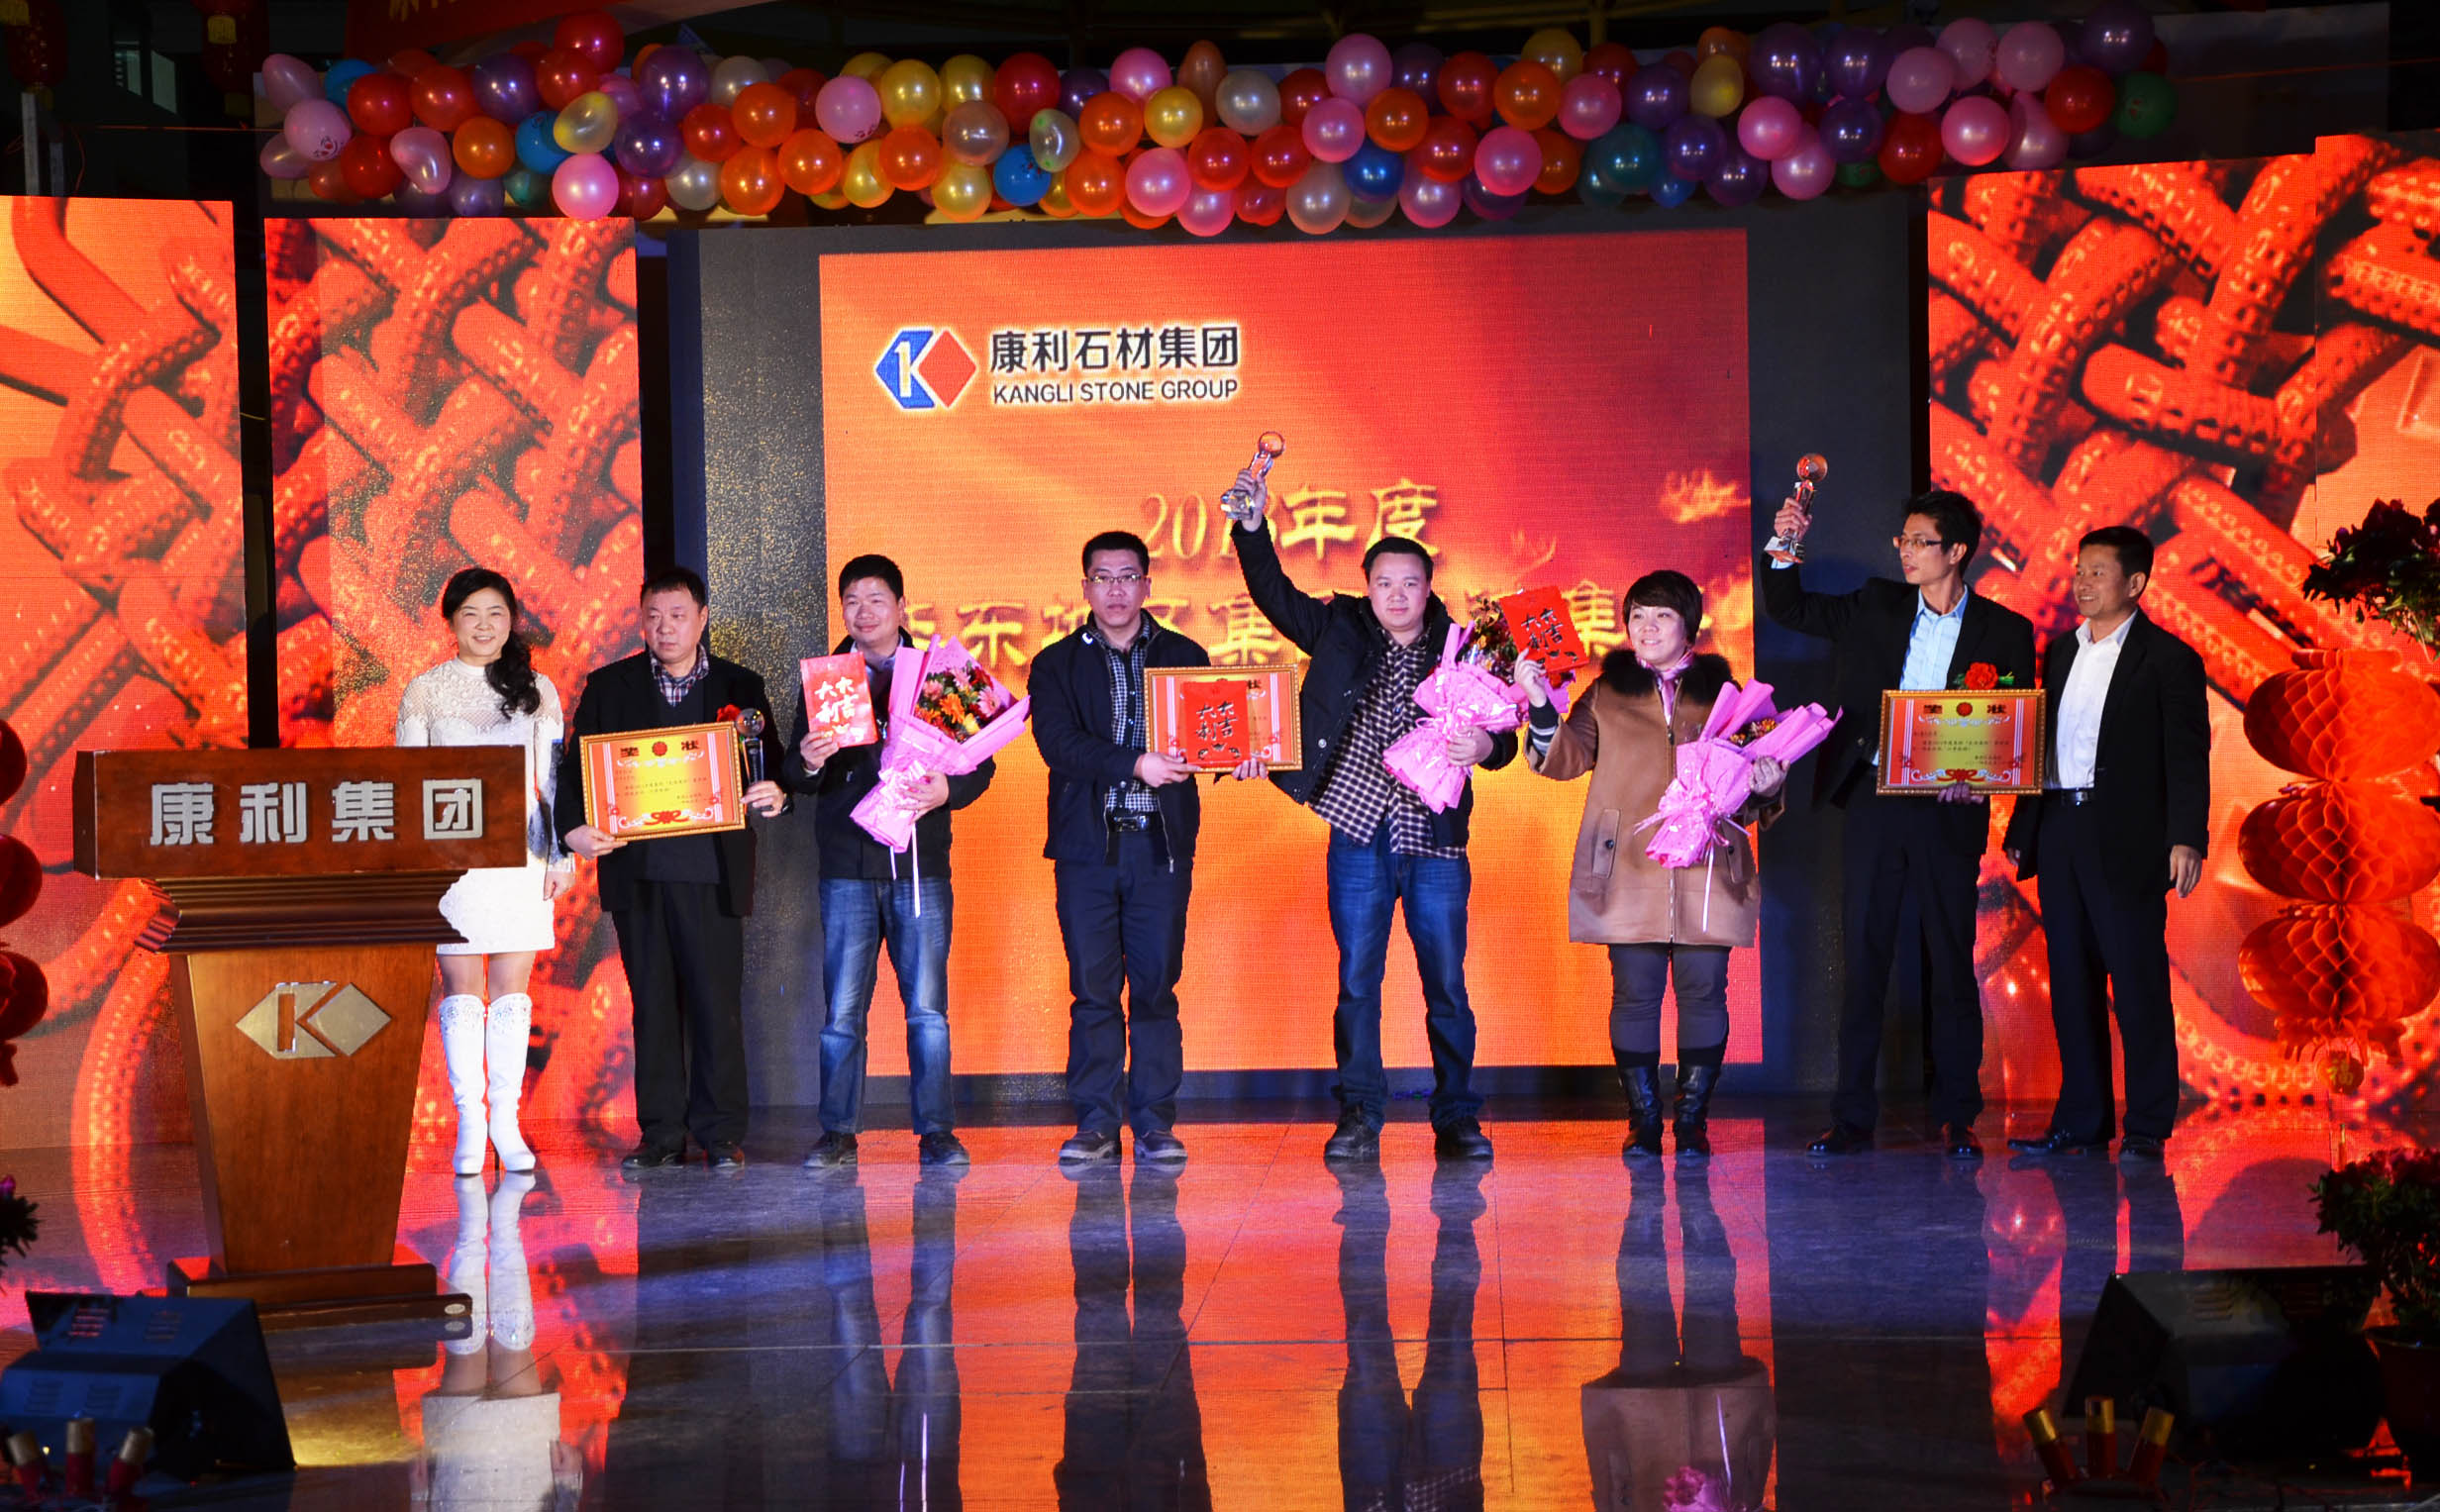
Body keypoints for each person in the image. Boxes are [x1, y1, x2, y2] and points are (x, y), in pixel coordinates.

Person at [1228, 467, 1516, 1163]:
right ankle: (1359, 1113)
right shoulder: (1338, 628)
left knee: (1447, 984)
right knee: (1358, 980)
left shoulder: (1467, 647)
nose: (1396, 595)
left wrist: (1485, 746)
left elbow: (1506, 735)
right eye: (1384, 583)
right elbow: (1272, 594)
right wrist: (1252, 528)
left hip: (1436, 840)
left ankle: (1457, 1117)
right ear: (1367, 586)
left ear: (1429, 586)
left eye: (1409, 583)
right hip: (1357, 833)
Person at [1763, 487, 2035, 1159]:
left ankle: (1958, 1114)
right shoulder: (1877, 604)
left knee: (1951, 959)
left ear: (1957, 551)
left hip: (1949, 811)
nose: (1906, 552)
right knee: (1865, 956)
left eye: (1920, 541)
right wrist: (1786, 543)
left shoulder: (2005, 630)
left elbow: (2011, 727)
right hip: (1875, 800)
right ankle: (1852, 1116)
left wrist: (1978, 777)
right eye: (1903, 540)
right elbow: (1789, 606)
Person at [1517, 571, 1785, 1163]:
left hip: (1706, 866)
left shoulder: (1726, 694)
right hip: (1628, 866)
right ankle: (1642, 1122)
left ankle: (1691, 1122)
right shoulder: (1607, 692)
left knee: (1704, 991)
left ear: (1689, 625)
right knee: (1634, 994)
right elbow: (1562, 759)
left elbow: (1753, 787)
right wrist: (1538, 703)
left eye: (1661, 616)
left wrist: (1768, 784)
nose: (1647, 627)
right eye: (1637, 615)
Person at [1032, 530, 1267, 1167]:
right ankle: (1095, 1125)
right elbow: (1059, 746)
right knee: (1093, 991)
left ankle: (1156, 1124)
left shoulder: (1184, 654)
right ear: (1085, 587)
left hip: (1160, 850)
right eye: (1102, 577)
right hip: (1088, 852)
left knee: (1157, 989)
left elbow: (1214, 736)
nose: (1115, 590)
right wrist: (1136, 763)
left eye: (1127, 576)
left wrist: (1244, 757)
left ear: (1147, 585)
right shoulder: (1055, 664)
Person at [555, 566, 784, 1173]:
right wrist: (572, 829)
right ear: (640, 621)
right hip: (638, 873)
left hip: (712, 872)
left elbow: (769, 762)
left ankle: (721, 1133)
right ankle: (660, 1134)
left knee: (716, 1006)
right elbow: (574, 771)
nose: (665, 628)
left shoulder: (740, 685)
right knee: (652, 1006)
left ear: (702, 618)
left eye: (678, 615)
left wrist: (775, 791)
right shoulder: (610, 686)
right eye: (653, 616)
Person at [2002, 526, 2208, 1162]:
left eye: (2097, 572)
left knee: (2138, 981)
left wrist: (2186, 838)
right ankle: (2083, 1120)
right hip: (2061, 827)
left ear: (2135, 582)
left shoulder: (2168, 659)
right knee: (2072, 980)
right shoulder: (2060, 651)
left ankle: (2146, 1123)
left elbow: (2187, 757)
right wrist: (2025, 830)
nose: (2082, 583)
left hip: (2127, 836)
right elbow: (2042, 745)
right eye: (2079, 571)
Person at [785, 554, 993, 1172]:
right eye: (852, 601)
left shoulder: (940, 675)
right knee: (842, 1012)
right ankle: (837, 1132)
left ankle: (937, 1132)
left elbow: (981, 762)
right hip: (847, 867)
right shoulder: (827, 680)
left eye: (876, 599)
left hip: (918, 865)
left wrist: (948, 791)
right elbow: (796, 773)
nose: (864, 611)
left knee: (927, 1009)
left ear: (902, 607)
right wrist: (810, 760)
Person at [397, 567, 572, 1179]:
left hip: (522, 854)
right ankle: (470, 1122)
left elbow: (554, 780)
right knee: (462, 990)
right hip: (453, 861)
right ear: (450, 621)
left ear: (512, 620)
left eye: (495, 613)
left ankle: (506, 1121)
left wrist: (561, 855)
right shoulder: (425, 691)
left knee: (513, 992)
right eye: (470, 613)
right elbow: (408, 784)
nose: (484, 625)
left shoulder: (538, 690)